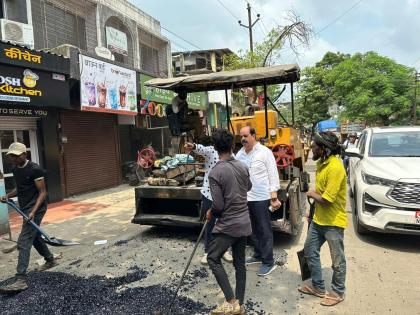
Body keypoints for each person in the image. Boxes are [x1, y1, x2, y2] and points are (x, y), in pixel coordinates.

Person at [0, 142, 58, 293]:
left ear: (25, 154)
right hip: (25, 208)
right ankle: (50, 259)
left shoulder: (35, 169)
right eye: (11, 156)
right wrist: (8, 195)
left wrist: (33, 211)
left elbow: (43, 192)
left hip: (36, 209)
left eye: (16, 156)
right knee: (34, 236)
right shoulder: (15, 170)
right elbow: (20, 188)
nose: (13, 158)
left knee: (24, 241)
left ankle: (21, 279)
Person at [298, 131, 347, 307]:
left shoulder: (335, 167)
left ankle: (338, 291)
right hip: (319, 219)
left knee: (337, 260)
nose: (312, 148)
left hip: (333, 222)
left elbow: (327, 199)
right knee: (310, 251)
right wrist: (311, 213)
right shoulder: (323, 164)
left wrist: (310, 193)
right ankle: (318, 286)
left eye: (315, 146)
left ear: (324, 148)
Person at [206, 129, 252, 315]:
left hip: (229, 225)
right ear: (233, 146)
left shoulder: (216, 172)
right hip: (244, 222)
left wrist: (210, 212)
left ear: (216, 148)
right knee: (240, 263)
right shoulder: (242, 166)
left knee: (212, 257)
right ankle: (239, 304)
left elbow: (218, 206)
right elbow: (248, 187)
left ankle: (231, 301)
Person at [235, 126, 281, 277]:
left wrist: (273, 196)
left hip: (261, 197)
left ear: (254, 135)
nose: (243, 139)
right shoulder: (240, 154)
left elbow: (273, 173)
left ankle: (268, 261)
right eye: (241, 136)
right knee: (251, 228)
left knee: (264, 229)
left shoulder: (265, 152)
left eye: (246, 135)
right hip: (245, 197)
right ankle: (258, 254)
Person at [184, 137, 233, 265]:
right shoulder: (212, 151)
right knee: (209, 223)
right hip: (209, 194)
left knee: (224, 224)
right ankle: (208, 251)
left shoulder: (232, 155)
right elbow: (202, 149)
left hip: (225, 196)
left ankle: (224, 250)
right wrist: (193, 145)